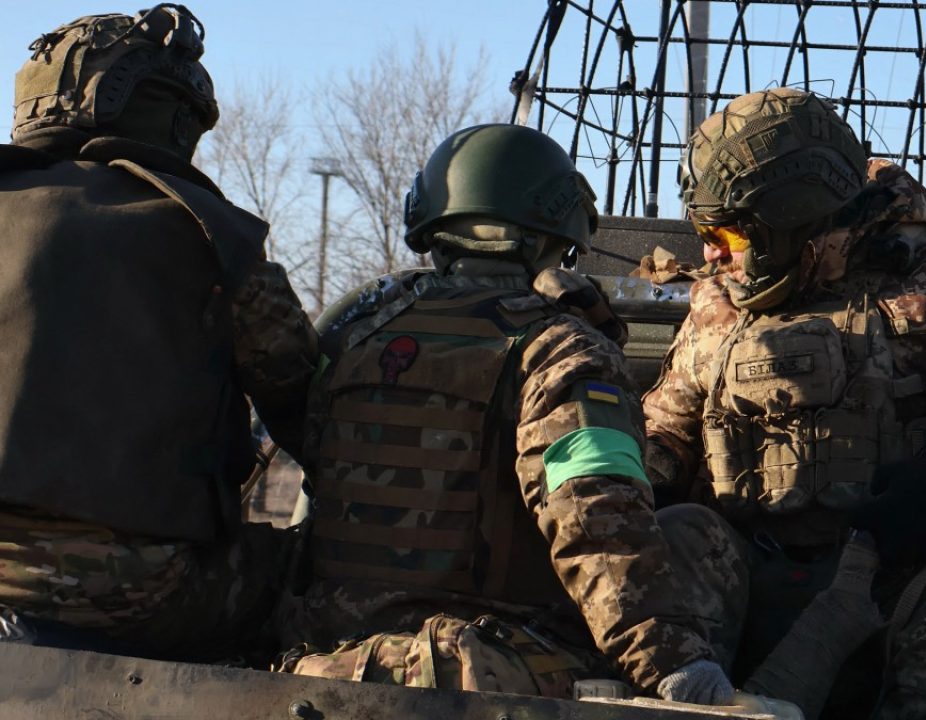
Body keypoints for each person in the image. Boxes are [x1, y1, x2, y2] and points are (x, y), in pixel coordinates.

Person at [644, 87, 926, 718]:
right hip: (742, 578)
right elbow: (662, 436)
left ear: (796, 219)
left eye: (728, 231)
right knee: (668, 542)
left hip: (903, 583)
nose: (709, 252)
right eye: (704, 230)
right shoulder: (717, 306)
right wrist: (610, 489)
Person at [276, 123, 734, 705]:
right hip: (479, 669)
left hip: (323, 661)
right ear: (555, 235)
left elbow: (306, 454)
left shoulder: (357, 334)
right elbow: (597, 515)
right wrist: (674, 663)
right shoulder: (560, 350)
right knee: (698, 536)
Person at [0, 6, 317, 662]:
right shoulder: (207, 234)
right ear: (175, 118)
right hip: (131, 595)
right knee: (315, 570)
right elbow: (314, 418)